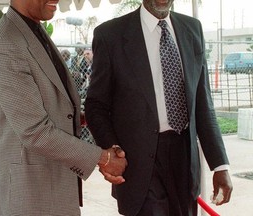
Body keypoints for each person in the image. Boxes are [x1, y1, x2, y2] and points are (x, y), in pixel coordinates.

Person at [85, 0, 233, 215]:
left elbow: (203, 104)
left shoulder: (193, 29)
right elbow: (96, 105)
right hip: (137, 164)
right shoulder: (110, 35)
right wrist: (111, 148)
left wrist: (220, 165)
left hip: (185, 161)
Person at [0, 0, 127, 215]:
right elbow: (35, 132)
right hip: (29, 192)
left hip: (49, 184)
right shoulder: (6, 43)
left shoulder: (32, 29)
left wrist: (83, 117)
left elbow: (49, 103)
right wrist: (102, 158)